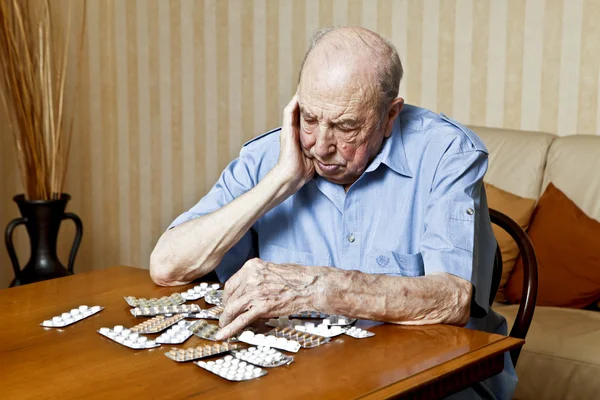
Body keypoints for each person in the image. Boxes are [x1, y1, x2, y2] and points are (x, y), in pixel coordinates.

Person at [150, 26, 516, 399]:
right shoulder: (273, 156)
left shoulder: (447, 155)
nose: (320, 146)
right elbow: (167, 264)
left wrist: (316, 288)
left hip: (432, 383)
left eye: (345, 127)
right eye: (309, 118)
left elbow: (452, 299)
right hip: (305, 379)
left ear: (391, 115)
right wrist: (279, 182)